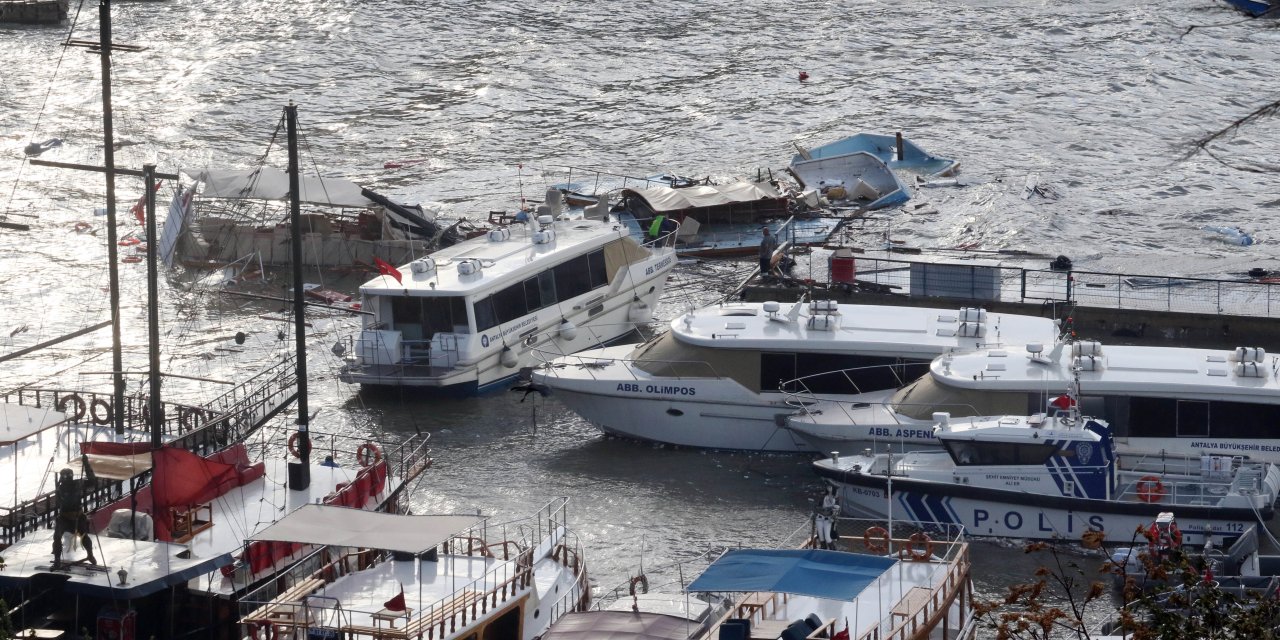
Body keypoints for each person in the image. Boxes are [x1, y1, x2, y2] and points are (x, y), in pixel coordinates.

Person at [52, 468, 97, 568]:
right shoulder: (60, 489)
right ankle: (57, 559)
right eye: (64, 477)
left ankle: (90, 554)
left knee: (84, 536)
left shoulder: (78, 484)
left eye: (68, 476)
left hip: (78, 515)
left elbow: (92, 481)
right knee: (57, 537)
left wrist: (86, 465)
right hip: (65, 517)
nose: (66, 479)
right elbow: (60, 503)